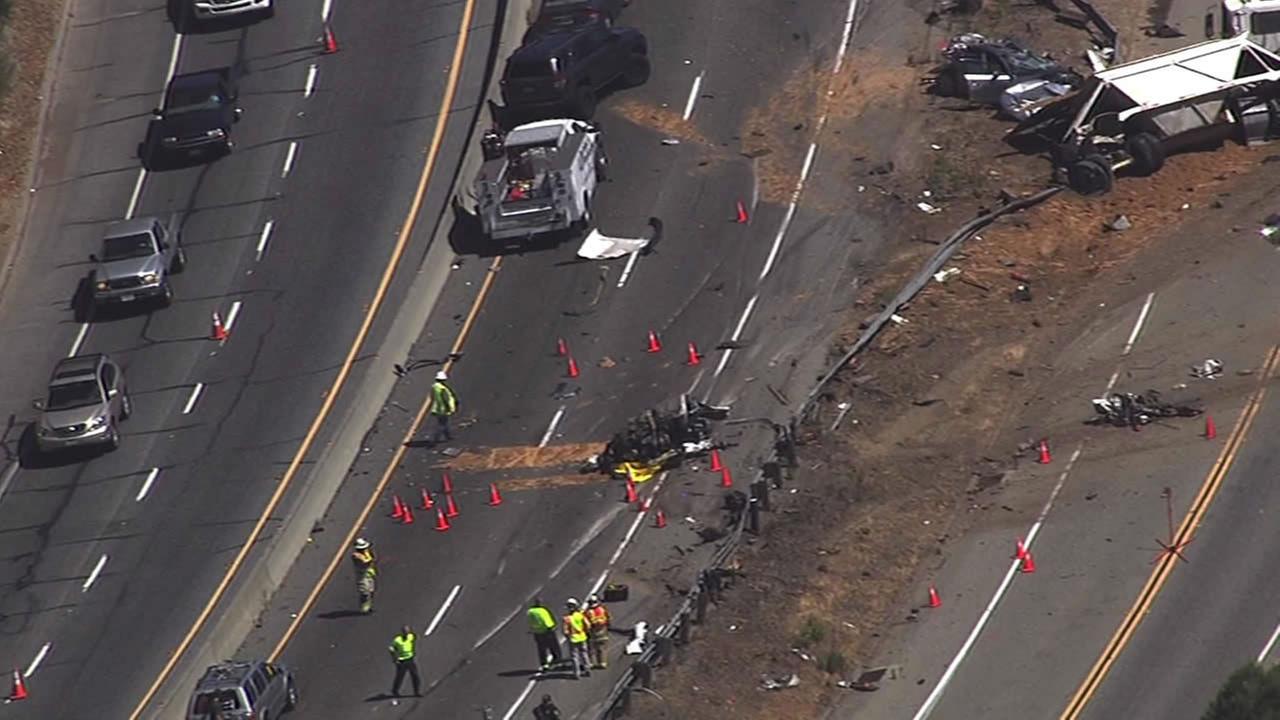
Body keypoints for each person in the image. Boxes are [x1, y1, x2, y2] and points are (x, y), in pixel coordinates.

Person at [527, 597, 561, 671]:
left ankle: (544, 664)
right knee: (553, 645)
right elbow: (547, 622)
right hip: (547, 631)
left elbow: (530, 622)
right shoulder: (543, 611)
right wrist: (552, 627)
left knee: (541, 649)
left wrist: (532, 630)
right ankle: (557, 660)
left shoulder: (530, 611)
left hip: (537, 633)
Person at [388, 625, 422, 697]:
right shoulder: (398, 640)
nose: (407, 634)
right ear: (403, 633)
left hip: (410, 659)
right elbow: (391, 649)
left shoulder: (410, 637)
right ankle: (395, 691)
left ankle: (417, 692)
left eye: (408, 632)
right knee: (400, 677)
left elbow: (415, 638)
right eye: (405, 633)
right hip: (402, 661)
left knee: (415, 676)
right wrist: (395, 659)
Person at [562, 598, 590, 679]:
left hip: (573, 639)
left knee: (574, 657)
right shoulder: (580, 615)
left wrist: (568, 636)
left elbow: (565, 631)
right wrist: (585, 632)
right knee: (584, 653)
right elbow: (587, 625)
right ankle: (587, 669)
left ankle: (577, 673)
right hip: (582, 637)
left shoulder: (567, 618)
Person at [430, 370, 458, 443]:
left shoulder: (434, 387)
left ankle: (448, 436)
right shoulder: (443, 389)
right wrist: (450, 409)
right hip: (444, 409)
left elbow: (432, 398)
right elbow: (446, 399)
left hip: (438, 409)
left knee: (444, 423)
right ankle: (436, 439)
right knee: (443, 424)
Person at [585, 594, 611, 669]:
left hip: (593, 633)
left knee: (591, 649)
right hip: (603, 631)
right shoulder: (602, 609)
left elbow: (586, 623)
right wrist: (608, 626)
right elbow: (608, 618)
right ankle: (603, 663)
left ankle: (591, 663)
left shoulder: (588, 612)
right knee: (601, 648)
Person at [351, 538, 377, 614]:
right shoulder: (356, 556)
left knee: (371, 590)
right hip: (362, 576)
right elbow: (365, 562)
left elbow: (373, 559)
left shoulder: (367, 552)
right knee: (364, 592)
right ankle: (364, 608)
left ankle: (369, 606)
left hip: (369, 574)